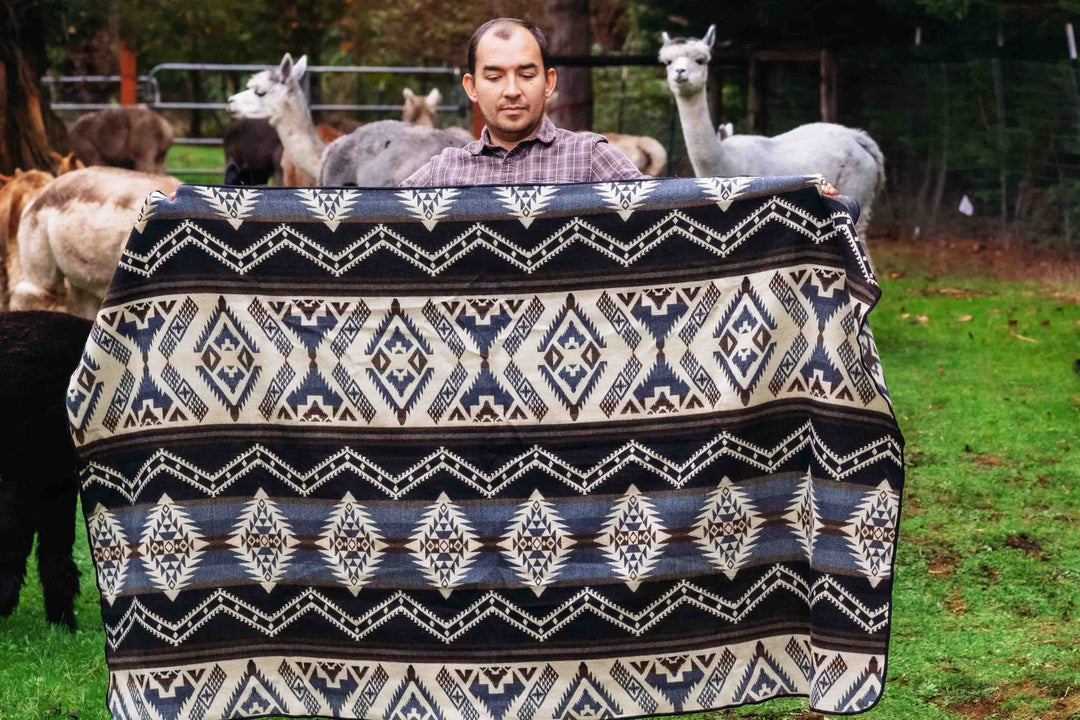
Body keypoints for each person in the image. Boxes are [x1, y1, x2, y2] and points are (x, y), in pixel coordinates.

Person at [400, 17, 842, 199]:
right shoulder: (442, 173)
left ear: (549, 83)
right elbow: (370, 226)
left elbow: (674, 210)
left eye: (527, 74)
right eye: (495, 76)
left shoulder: (592, 158)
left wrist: (794, 197)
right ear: (472, 88)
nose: (512, 90)